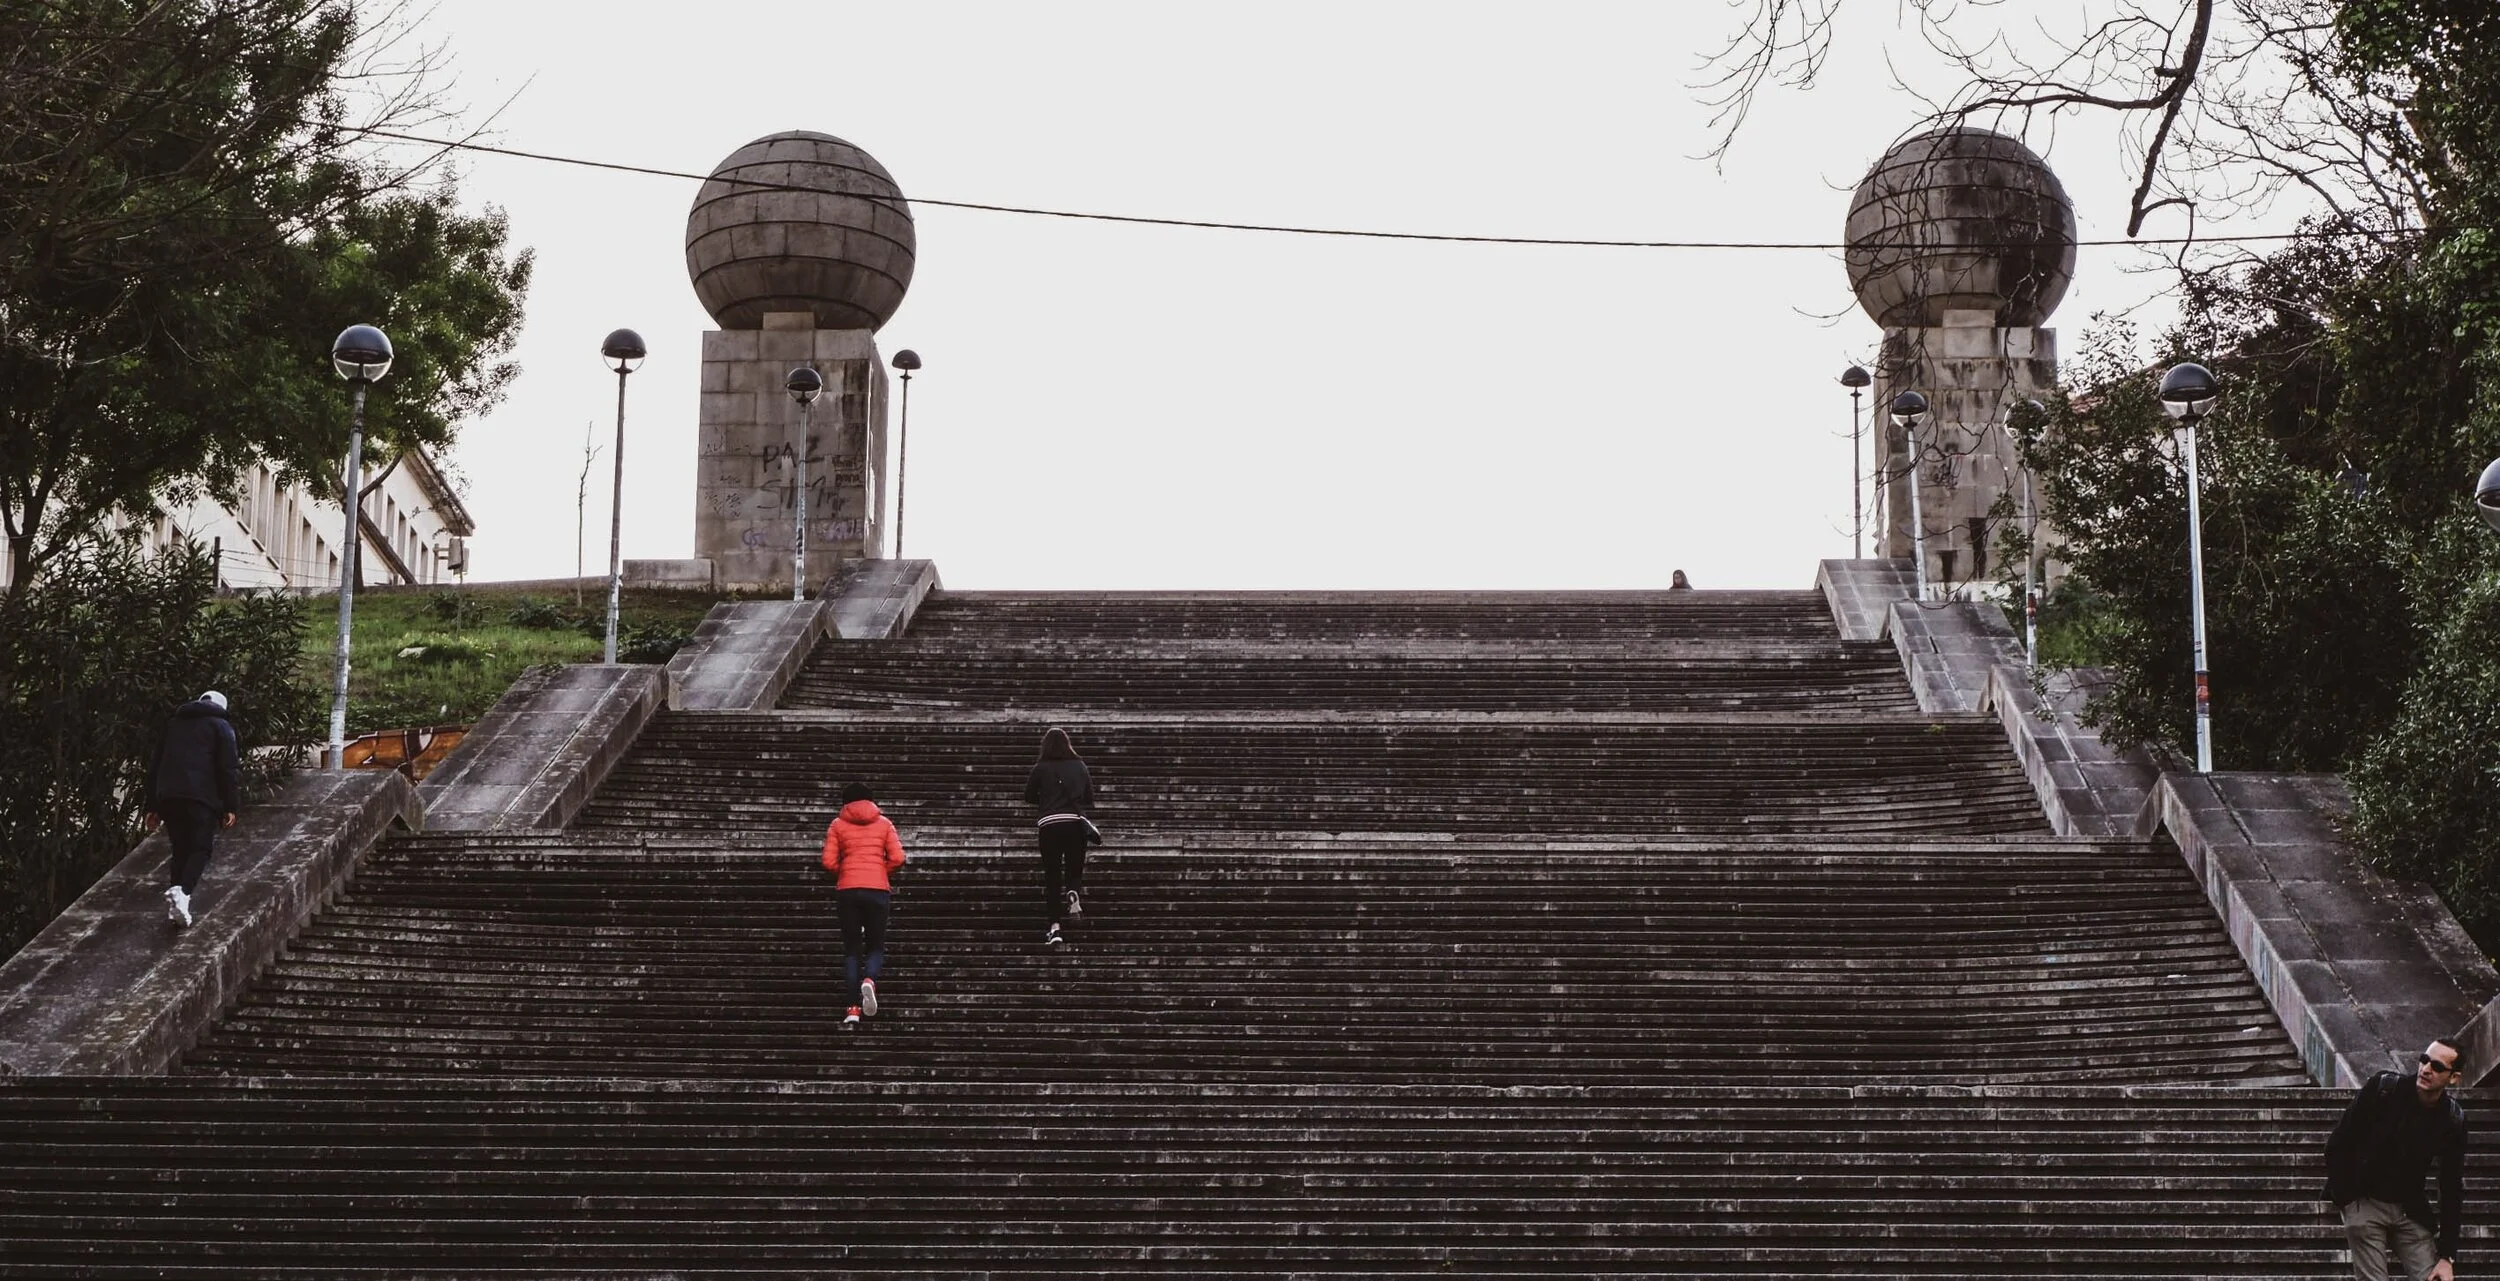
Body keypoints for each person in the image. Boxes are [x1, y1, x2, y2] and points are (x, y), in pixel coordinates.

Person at [2325, 1037, 2469, 1281]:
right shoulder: (2384, 1090)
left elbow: (2451, 1186)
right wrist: (2349, 1202)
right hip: (2365, 1203)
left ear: (2453, 1077)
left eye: (2437, 1067)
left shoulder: (2452, 1119)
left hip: (2409, 1210)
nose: (2425, 1069)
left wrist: (2447, 1257)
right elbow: (2338, 1144)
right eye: (2424, 1060)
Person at [142, 690, 240, 928]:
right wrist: (230, 805)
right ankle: (183, 892)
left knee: (180, 849)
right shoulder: (221, 726)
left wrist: (152, 806)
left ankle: (177, 903)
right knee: (201, 848)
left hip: (169, 796)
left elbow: (155, 765)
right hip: (201, 797)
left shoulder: (174, 724)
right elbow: (228, 769)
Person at [820, 782, 907, 1030]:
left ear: (846, 802)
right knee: (876, 945)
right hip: (877, 889)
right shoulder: (884, 824)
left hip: (848, 890)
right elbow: (899, 858)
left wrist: (846, 871)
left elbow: (827, 861)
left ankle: (852, 1010)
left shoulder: (838, 825)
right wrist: (880, 871)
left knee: (851, 950)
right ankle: (869, 979)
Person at [1022, 727, 1094, 947]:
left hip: (1049, 825)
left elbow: (1028, 796)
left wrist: (1046, 800)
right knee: (1074, 869)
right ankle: (1073, 890)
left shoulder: (1041, 767)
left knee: (1052, 876)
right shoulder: (1080, 766)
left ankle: (1055, 928)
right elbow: (1089, 798)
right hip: (1073, 823)